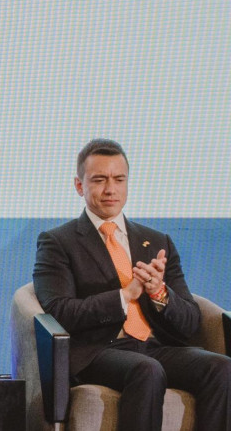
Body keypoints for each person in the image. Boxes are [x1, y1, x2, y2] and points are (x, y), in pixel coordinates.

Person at [33, 138, 231, 430]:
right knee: (147, 370)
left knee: (221, 368)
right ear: (79, 186)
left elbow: (190, 322)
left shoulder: (157, 241)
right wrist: (124, 296)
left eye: (118, 179)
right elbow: (60, 312)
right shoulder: (57, 242)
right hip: (98, 350)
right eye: (99, 180)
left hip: (154, 346)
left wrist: (159, 292)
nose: (110, 189)